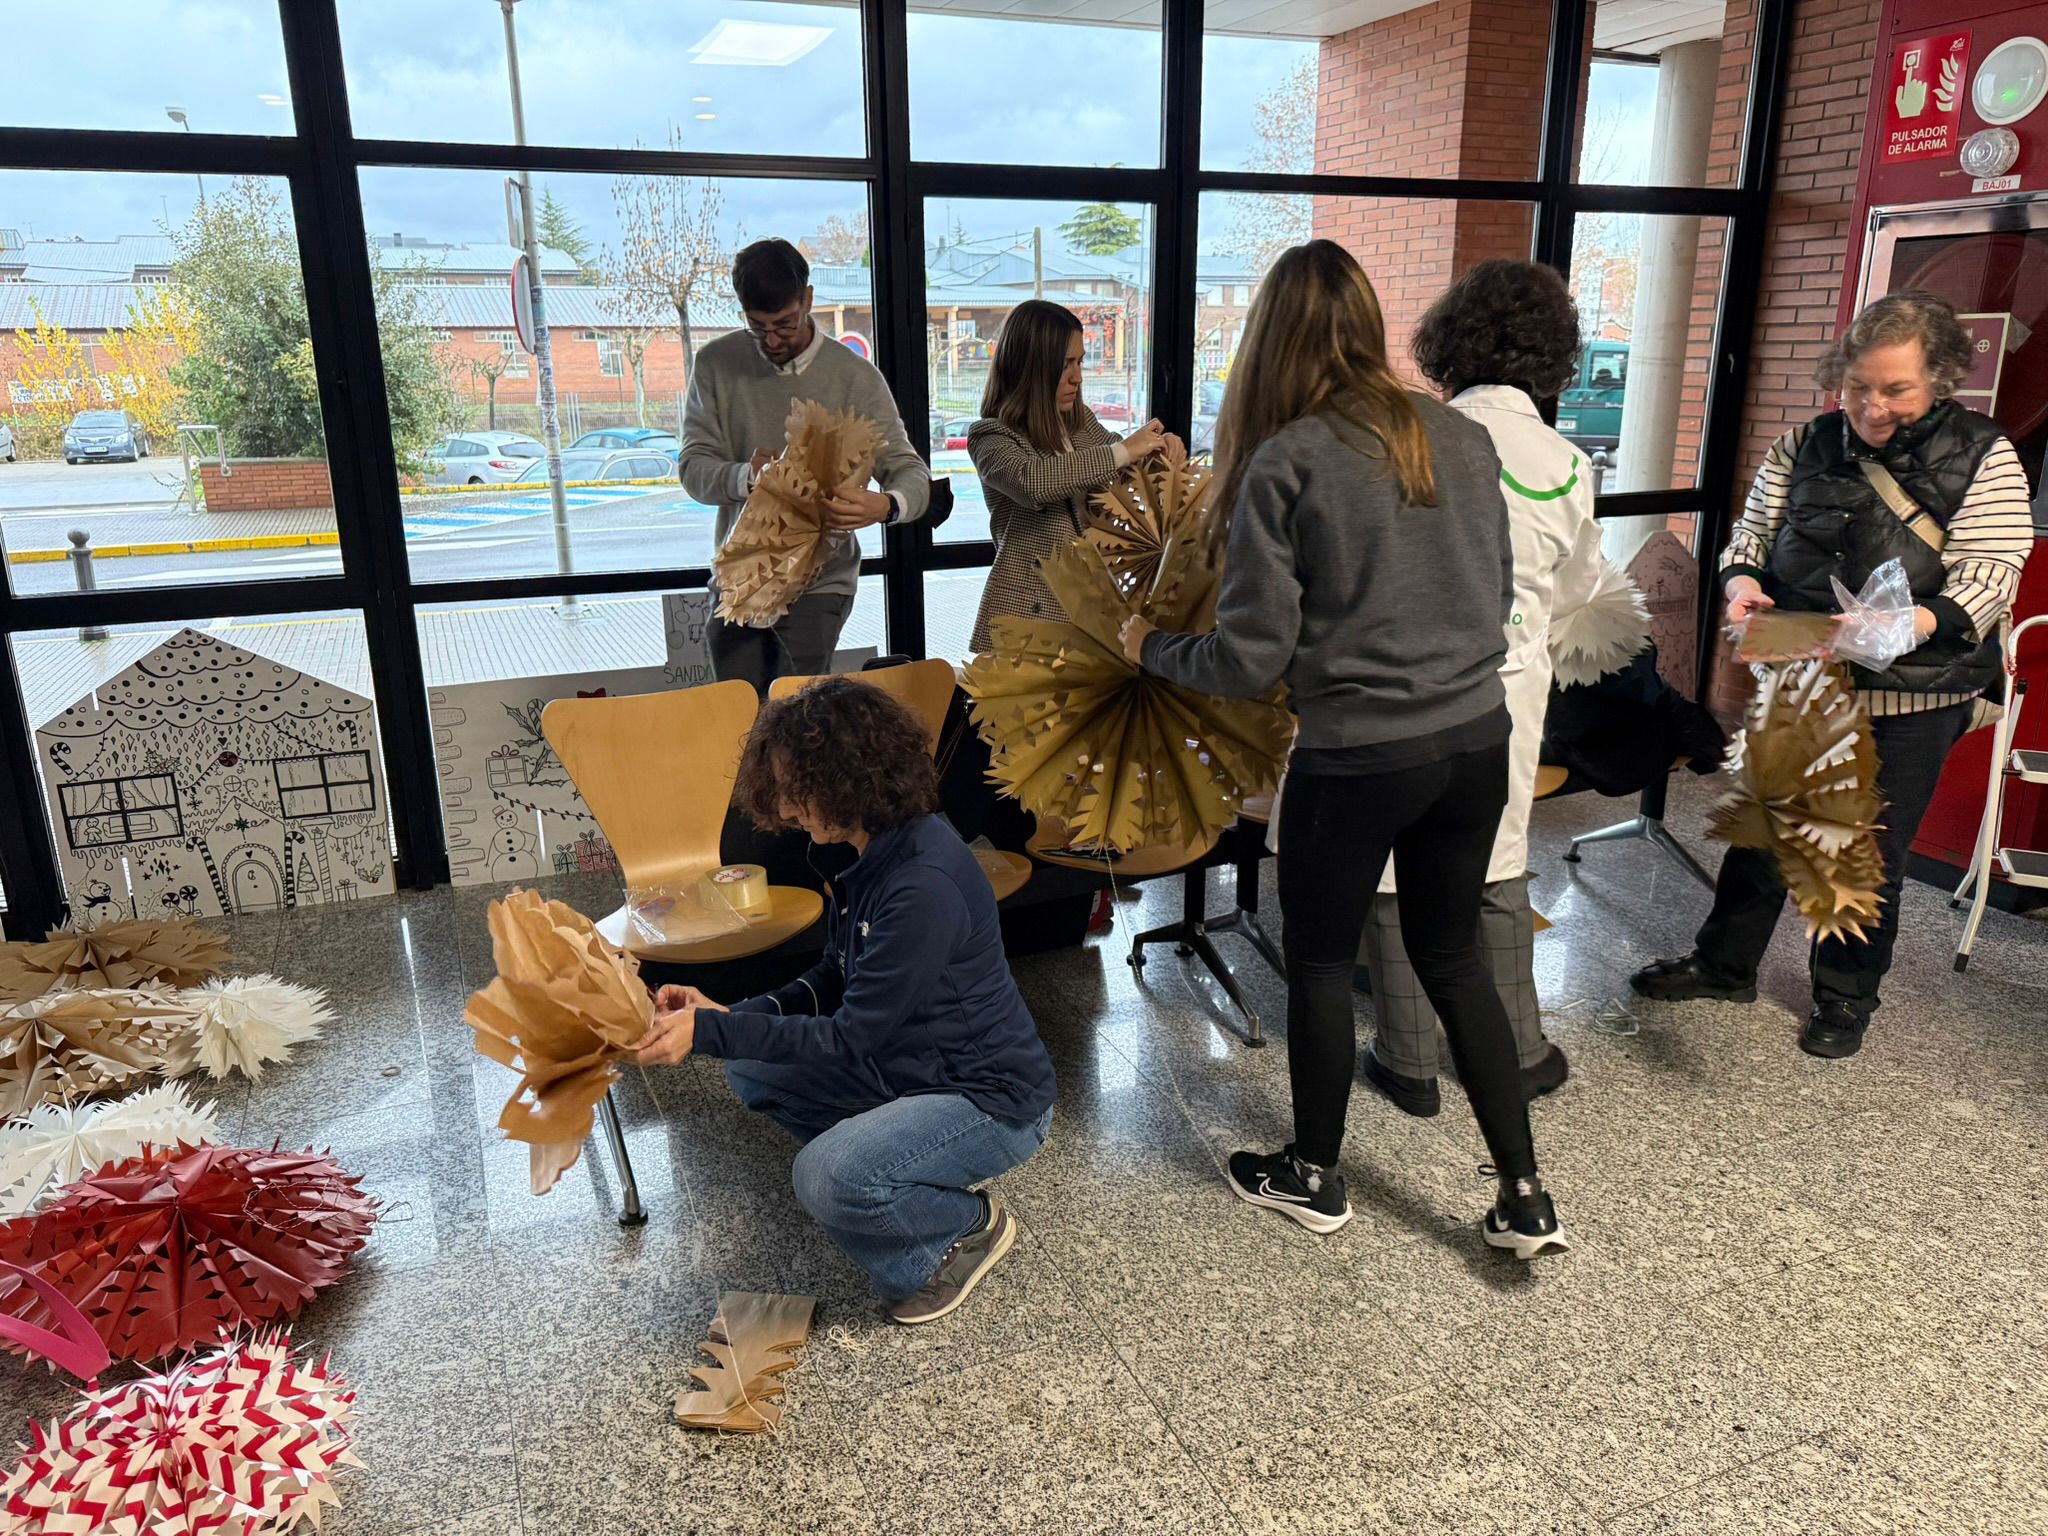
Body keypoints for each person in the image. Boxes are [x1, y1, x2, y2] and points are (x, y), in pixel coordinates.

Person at [1119, 240, 1567, 1259]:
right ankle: (1523, 1196)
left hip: (1358, 756)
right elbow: (1496, 594)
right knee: (1453, 958)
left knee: (1320, 962)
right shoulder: (1457, 436)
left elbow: (1248, 660)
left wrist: (1147, 645)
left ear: (1267, 341)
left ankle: (1313, 1176)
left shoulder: (1287, 459)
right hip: (1473, 740)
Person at [1632, 291, 2032, 1058]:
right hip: (1802, 671)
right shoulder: (1803, 444)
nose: (1872, 407)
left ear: (1940, 378)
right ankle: (1724, 966)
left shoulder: (1985, 453)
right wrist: (1742, 587)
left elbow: (1990, 573)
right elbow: (1751, 537)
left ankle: (1844, 998)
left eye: (1896, 389)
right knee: (1764, 829)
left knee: (1865, 850)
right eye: (1857, 387)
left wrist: (1898, 626)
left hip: (1911, 690)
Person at [633, 677, 1056, 1323]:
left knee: (826, 1176)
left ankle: (957, 1230)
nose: (786, 807)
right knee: (751, 1067)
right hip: (911, 1066)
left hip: (991, 1100)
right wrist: (728, 1017)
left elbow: (851, 1037)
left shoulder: (922, 884)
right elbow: (834, 973)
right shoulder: (871, 850)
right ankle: (886, 1170)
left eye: (798, 789)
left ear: (849, 780)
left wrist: (708, 1032)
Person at [1359, 258, 1630, 1117]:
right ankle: (1518, 1050)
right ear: (1555, 356)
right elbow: (1580, 592)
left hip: (1406, 686)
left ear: (1450, 341)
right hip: (1508, 696)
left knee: (1398, 866)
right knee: (1499, 858)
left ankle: (1407, 1058)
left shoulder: (1411, 440)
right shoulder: (1567, 462)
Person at [680, 239, 931, 692]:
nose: (772, 340)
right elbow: (693, 469)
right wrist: (746, 477)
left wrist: (888, 506)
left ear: (808, 300)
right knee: (734, 713)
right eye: (757, 327)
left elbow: (910, 472)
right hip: (739, 576)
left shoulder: (855, 377)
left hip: (821, 582)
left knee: (796, 714)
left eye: (785, 324)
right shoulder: (715, 364)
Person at [966, 299, 1182, 655]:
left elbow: (1124, 467)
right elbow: (1034, 482)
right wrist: (1126, 450)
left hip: (1094, 613)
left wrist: (1160, 451)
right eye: (1065, 364)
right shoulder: (991, 437)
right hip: (1029, 620)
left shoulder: (1080, 424)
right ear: (1031, 366)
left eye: (1079, 361)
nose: (1077, 377)